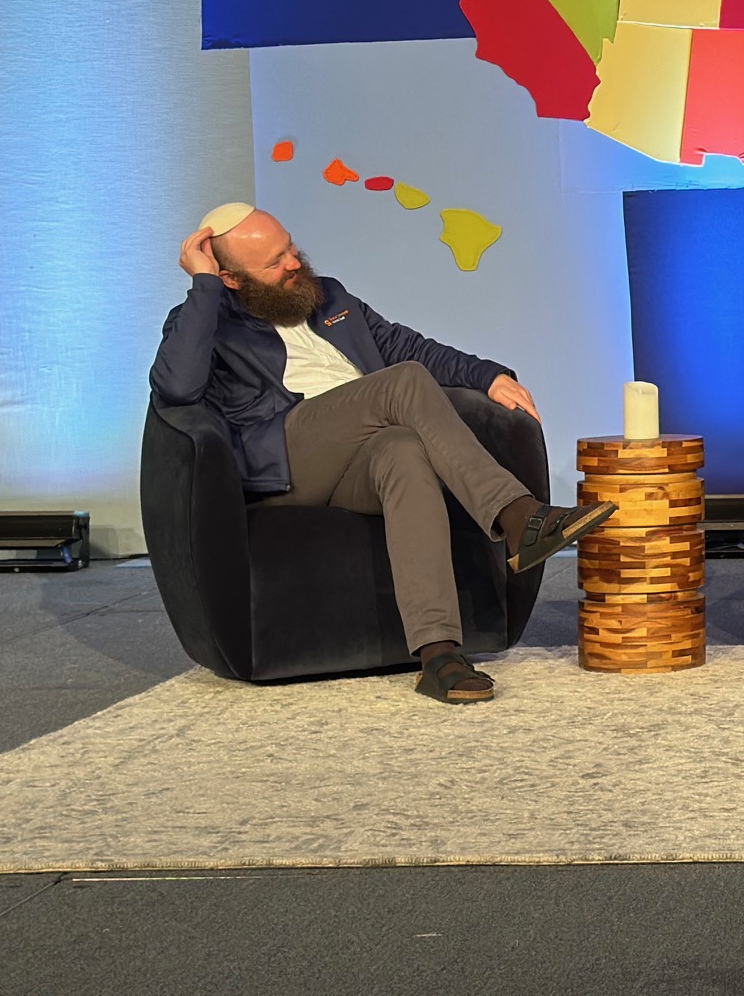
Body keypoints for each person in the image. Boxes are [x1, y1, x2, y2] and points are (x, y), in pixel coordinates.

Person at [150, 202, 613, 705]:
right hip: (286, 458)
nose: (293, 264)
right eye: (274, 263)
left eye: (289, 249)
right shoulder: (204, 319)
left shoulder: (327, 298)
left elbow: (404, 344)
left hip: (358, 451)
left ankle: (439, 656)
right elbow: (176, 389)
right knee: (403, 383)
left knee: (404, 453)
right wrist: (203, 288)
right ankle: (518, 515)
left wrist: (487, 375)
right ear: (232, 279)